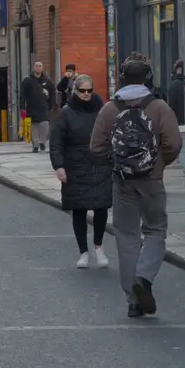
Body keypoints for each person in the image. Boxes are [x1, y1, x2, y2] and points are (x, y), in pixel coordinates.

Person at [90, 59, 182, 318]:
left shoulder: (109, 109)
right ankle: (144, 277)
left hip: (122, 182)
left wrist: (116, 163)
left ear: (121, 78)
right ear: (148, 78)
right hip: (152, 181)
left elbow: (96, 148)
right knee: (155, 230)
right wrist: (158, 164)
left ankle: (133, 299)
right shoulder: (159, 107)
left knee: (127, 236)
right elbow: (174, 143)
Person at [51, 73, 111, 269]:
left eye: (89, 90)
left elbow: (111, 135)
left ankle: (99, 247)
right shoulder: (66, 113)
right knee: (79, 209)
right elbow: (56, 142)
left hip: (99, 164)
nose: (86, 94)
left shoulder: (102, 111)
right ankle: (83, 252)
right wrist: (59, 166)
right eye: (82, 90)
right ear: (75, 91)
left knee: (101, 207)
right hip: (75, 166)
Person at [21, 60, 57, 154]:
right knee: (34, 127)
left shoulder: (47, 80)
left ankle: (42, 142)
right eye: (36, 65)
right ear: (34, 68)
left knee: (44, 124)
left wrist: (53, 104)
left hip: (44, 106)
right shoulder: (27, 80)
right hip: (31, 107)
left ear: (42, 68)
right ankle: (35, 146)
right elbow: (22, 94)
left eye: (40, 66)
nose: (38, 67)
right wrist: (22, 106)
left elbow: (53, 92)